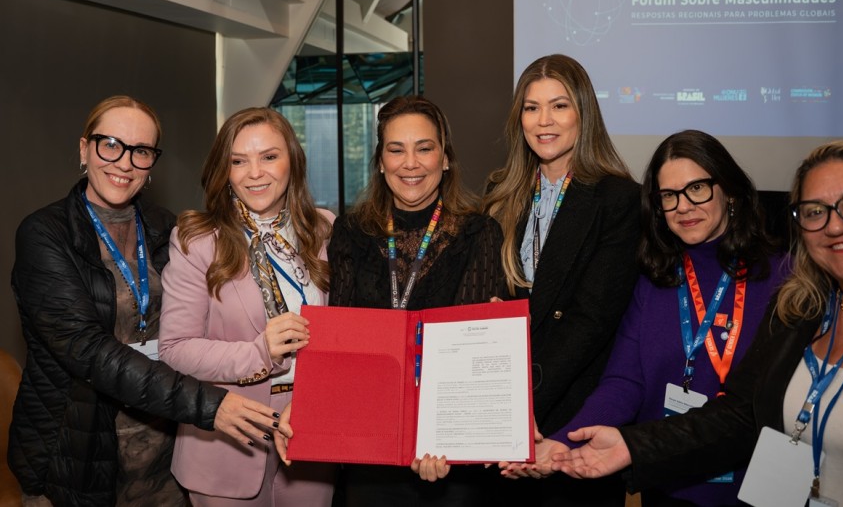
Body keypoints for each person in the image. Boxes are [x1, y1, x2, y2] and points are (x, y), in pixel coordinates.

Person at [553, 139, 843, 506]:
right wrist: (618, 445)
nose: (837, 225)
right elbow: (741, 414)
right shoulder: (804, 311)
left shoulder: (788, 286)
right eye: (815, 212)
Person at [8, 95, 285, 507]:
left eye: (140, 151)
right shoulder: (45, 234)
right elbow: (87, 350)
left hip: (164, 449)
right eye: (110, 145)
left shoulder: (167, 227)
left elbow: (197, 329)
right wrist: (211, 405)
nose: (124, 163)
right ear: (85, 149)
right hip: (76, 451)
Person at [502, 130, 787, 506]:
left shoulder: (785, 280)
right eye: (668, 196)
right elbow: (624, 381)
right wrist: (563, 441)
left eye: (697, 188)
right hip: (663, 480)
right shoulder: (656, 280)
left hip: (754, 488)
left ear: (730, 191)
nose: (683, 206)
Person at [277, 95, 506, 506]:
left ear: (446, 158)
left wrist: (438, 438)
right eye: (396, 149)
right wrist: (309, 405)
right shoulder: (351, 230)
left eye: (425, 148)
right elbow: (340, 342)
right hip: (368, 445)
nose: (410, 163)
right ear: (380, 161)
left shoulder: (479, 232)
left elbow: (468, 355)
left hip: (448, 452)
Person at [479, 53, 642, 506]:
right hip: (503, 412)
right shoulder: (501, 194)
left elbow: (592, 321)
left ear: (583, 114)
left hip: (573, 415)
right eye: (531, 108)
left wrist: (524, 407)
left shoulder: (618, 199)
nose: (543, 120)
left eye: (559, 105)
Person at [158, 107, 336, 506]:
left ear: (293, 161)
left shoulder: (324, 230)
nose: (255, 172)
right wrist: (259, 352)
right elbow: (174, 348)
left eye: (269, 156)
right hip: (226, 443)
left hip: (309, 433)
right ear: (225, 170)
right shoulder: (197, 241)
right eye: (239, 161)